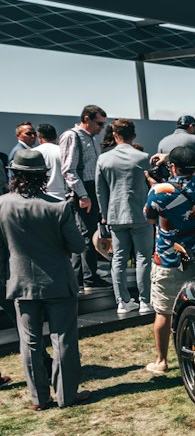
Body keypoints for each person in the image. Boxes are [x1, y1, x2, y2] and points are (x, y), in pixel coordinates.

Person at [0, 149, 87, 408]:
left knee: (29, 342)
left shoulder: (2, 204)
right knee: (63, 340)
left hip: (20, 282)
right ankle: (65, 396)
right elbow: (78, 245)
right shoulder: (58, 207)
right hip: (58, 281)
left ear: (14, 174)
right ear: (43, 176)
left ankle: (39, 398)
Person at [144, 144, 195, 375]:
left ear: (172, 167)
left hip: (168, 259)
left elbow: (150, 218)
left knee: (164, 311)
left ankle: (162, 361)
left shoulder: (160, 191)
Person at [96, 117, 154, 316]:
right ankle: (146, 301)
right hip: (141, 213)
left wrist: (104, 214)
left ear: (114, 135)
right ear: (134, 135)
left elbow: (99, 190)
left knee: (118, 259)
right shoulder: (143, 157)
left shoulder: (103, 159)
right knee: (143, 258)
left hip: (115, 214)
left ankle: (122, 302)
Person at [59, 103, 109, 291]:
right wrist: (83, 194)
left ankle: (81, 276)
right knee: (86, 235)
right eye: (99, 124)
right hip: (83, 190)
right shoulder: (72, 136)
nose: (101, 128)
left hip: (90, 189)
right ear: (86, 119)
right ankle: (88, 277)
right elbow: (68, 169)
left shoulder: (90, 138)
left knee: (87, 233)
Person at [36, 124, 67, 197]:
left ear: (39, 136)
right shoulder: (64, 152)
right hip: (60, 196)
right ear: (56, 136)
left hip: (39, 196)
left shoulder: (33, 152)